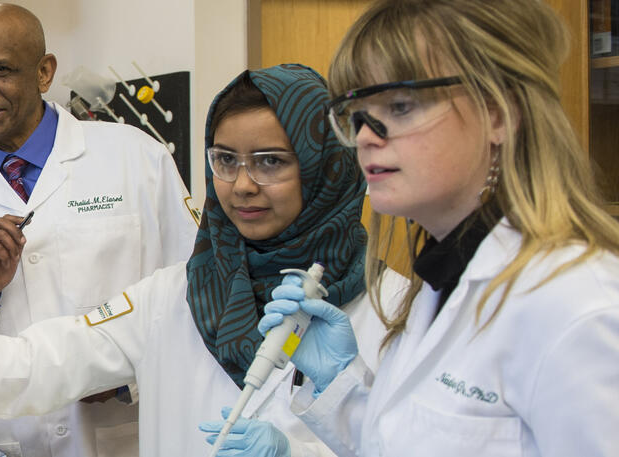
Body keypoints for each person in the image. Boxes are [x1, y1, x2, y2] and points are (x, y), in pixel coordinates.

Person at [0, 65, 387, 457]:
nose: (242, 185)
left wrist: (299, 453)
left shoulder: (394, 309)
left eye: (271, 161)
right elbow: (36, 363)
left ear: (325, 167)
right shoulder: (173, 295)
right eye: (224, 161)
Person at [245, 0, 619, 456]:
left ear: (499, 112)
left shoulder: (578, 306)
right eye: (355, 113)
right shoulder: (443, 280)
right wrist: (338, 381)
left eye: (400, 104)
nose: (364, 135)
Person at [0, 4, 197, 456]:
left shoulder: (137, 160)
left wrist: (125, 376)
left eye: (0, 70)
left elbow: (195, 292)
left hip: (119, 434)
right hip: (3, 440)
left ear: (43, 72)